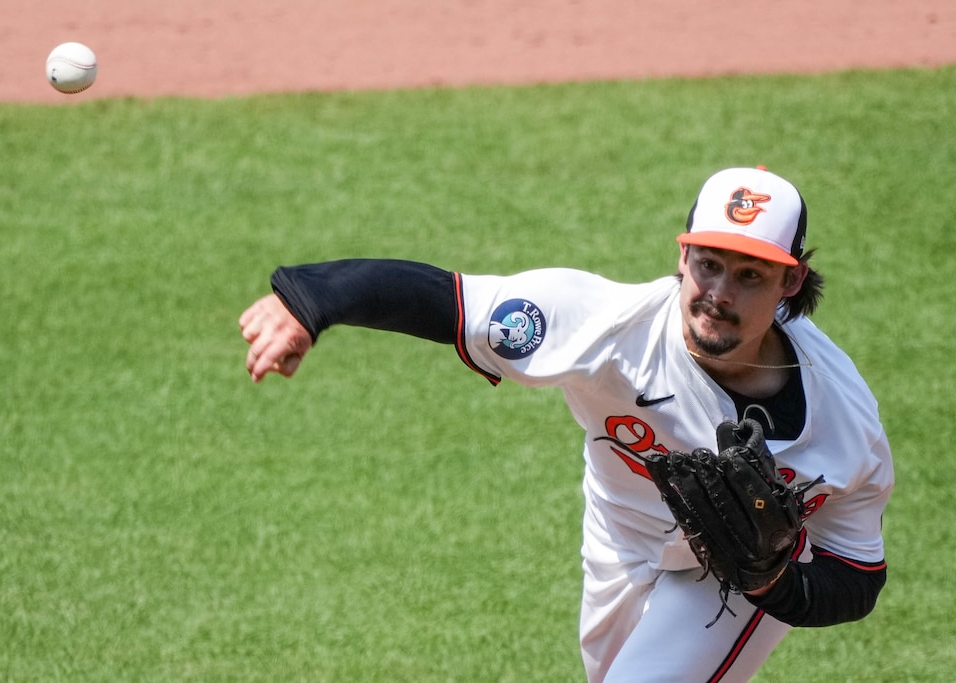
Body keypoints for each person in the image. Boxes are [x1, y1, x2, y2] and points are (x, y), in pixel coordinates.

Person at [239, 167, 893, 682]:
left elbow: (859, 576)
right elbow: (449, 301)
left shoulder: (844, 423)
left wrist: (773, 579)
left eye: (751, 274)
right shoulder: (606, 328)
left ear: (791, 280)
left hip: (733, 575)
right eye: (709, 263)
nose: (719, 293)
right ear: (682, 256)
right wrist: (310, 301)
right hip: (620, 533)